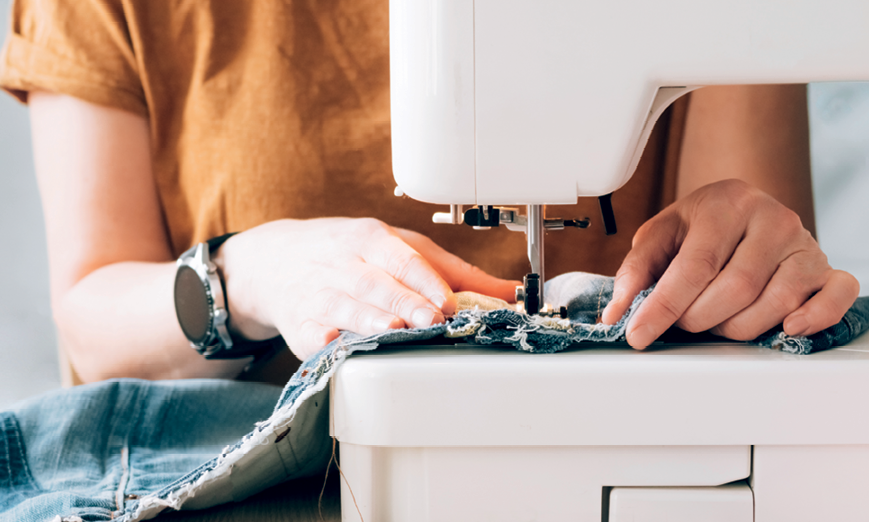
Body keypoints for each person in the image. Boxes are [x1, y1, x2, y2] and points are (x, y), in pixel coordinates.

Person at [0, 1, 859, 386]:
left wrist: (751, 250)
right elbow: (93, 309)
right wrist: (248, 275)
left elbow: (756, 318)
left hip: (618, 498)